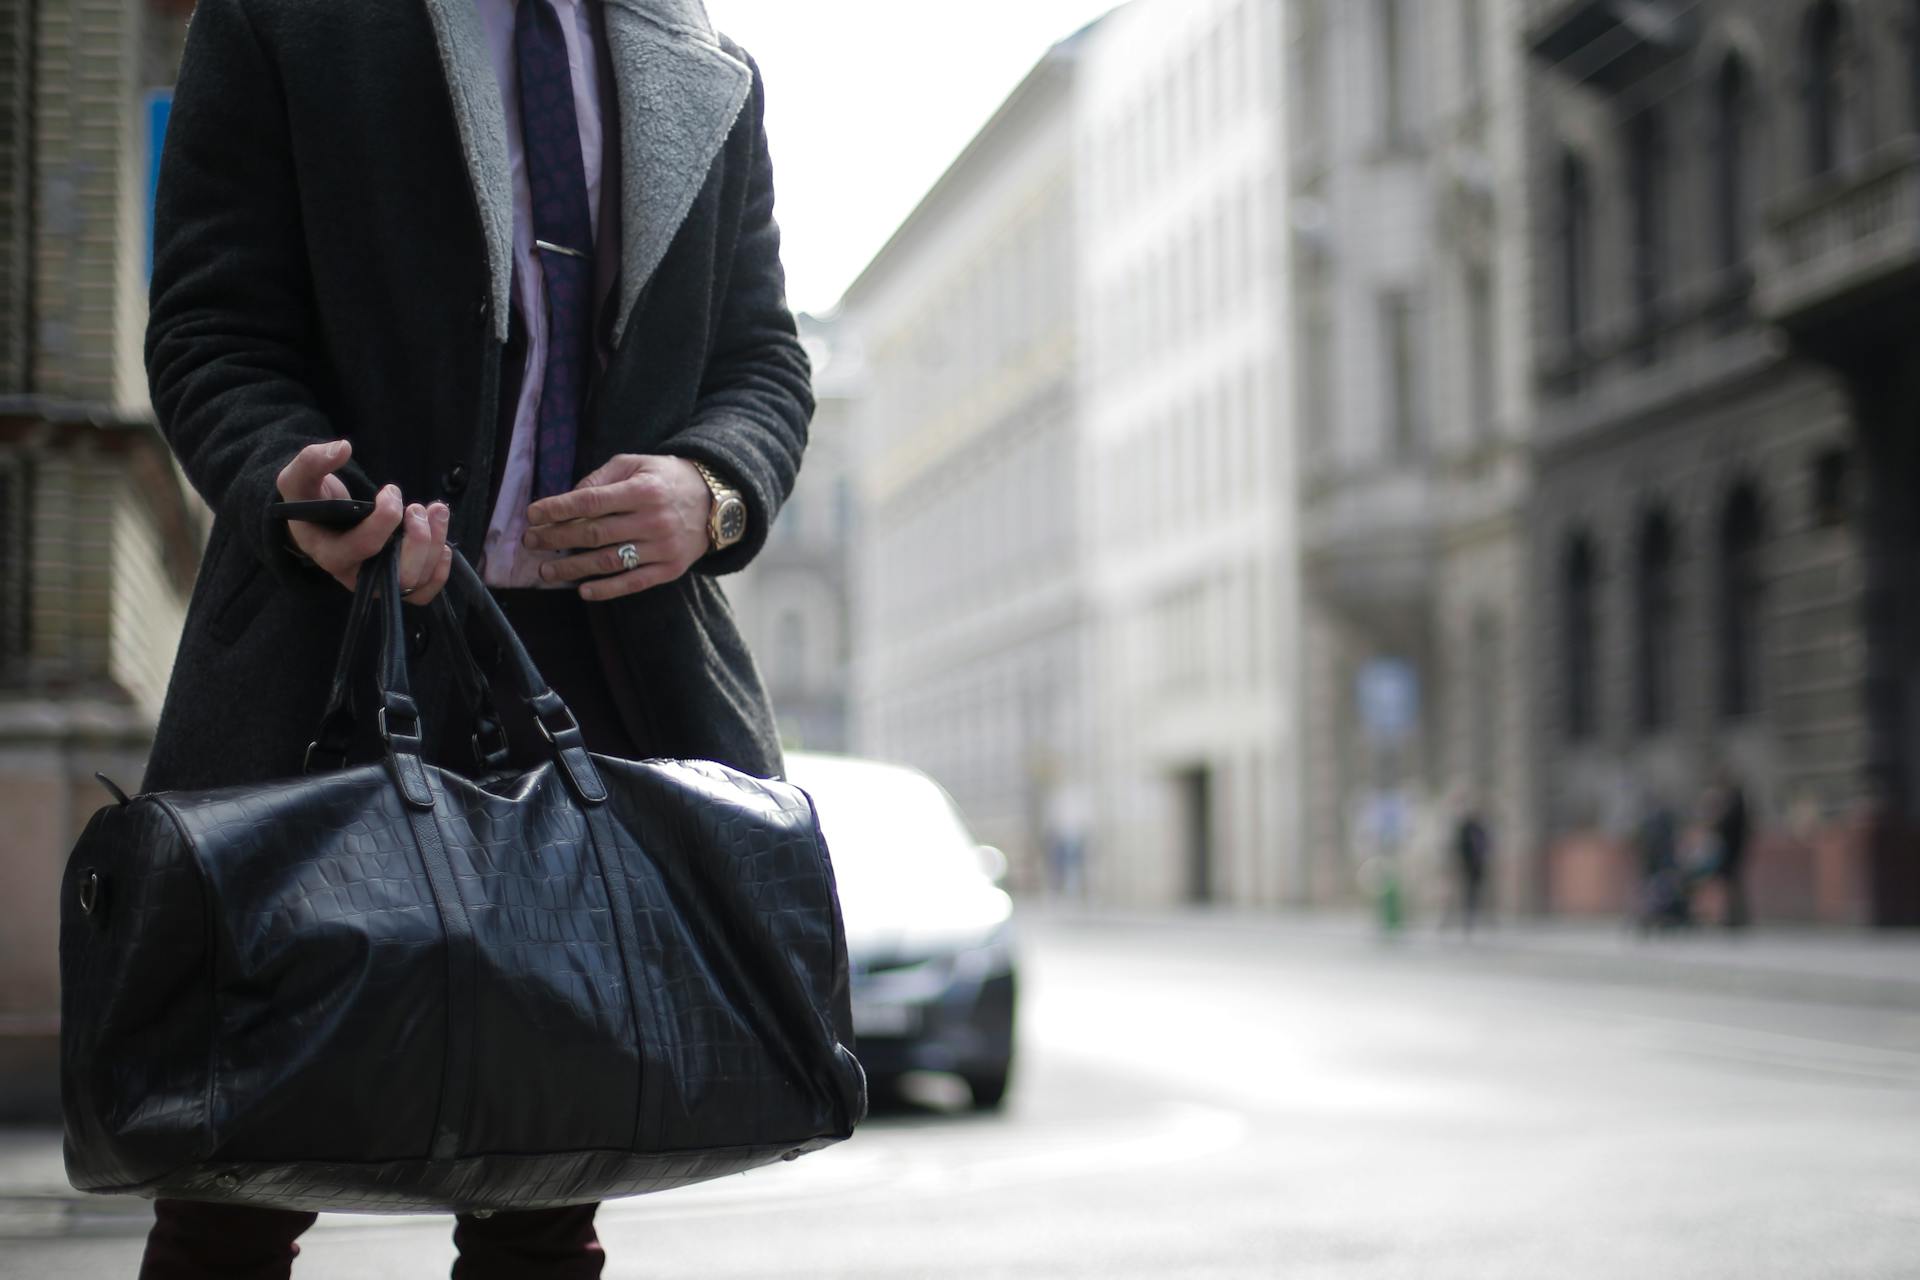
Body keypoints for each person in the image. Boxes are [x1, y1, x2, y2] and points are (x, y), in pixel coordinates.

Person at [136, 0, 810, 1275]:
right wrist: (293, 493)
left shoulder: (702, 61)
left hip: (590, 673)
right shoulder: (287, 20)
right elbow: (210, 328)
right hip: (327, 657)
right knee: (233, 1173)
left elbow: (764, 359)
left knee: (551, 1180)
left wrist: (712, 489)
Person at [1711, 773, 1754, 929]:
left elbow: (1727, 825)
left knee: (1732, 884)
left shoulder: (1735, 802)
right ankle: (1734, 916)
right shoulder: (1737, 801)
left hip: (1732, 850)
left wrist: (1716, 823)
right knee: (1732, 884)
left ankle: (1736, 918)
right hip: (1733, 849)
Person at [1450, 804, 1491, 936]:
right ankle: (1467, 919)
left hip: (1478, 866)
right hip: (1467, 866)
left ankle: (1479, 917)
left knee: (1475, 892)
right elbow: (1460, 847)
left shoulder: (1479, 829)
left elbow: (1486, 845)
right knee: (1467, 893)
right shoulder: (1466, 829)